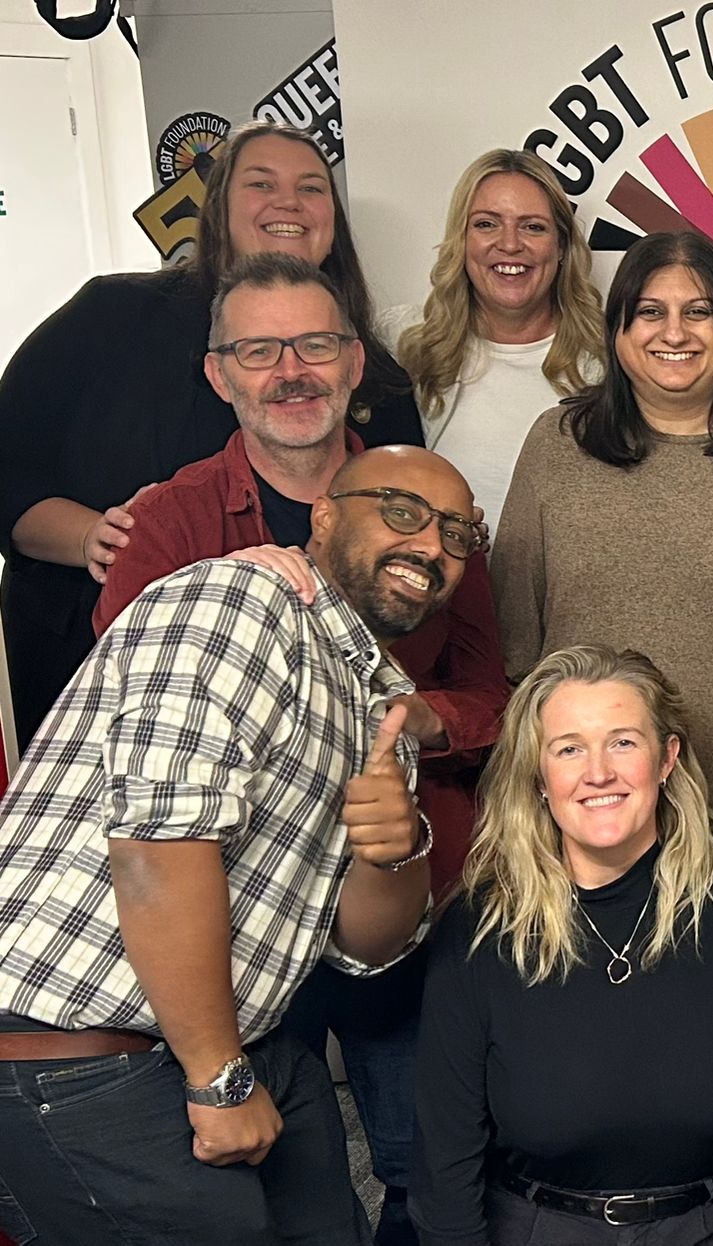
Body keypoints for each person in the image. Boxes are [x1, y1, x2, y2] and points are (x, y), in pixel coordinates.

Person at [88, 252, 511, 1246]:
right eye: (259, 348)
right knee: (256, 1160)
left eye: (315, 344)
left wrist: (409, 721)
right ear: (219, 373)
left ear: (355, 361)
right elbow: (133, 728)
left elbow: (495, 692)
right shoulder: (169, 523)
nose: (292, 369)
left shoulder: (433, 505)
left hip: (400, 893)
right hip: (225, 913)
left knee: (418, 1153)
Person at [0, 446, 476, 1245]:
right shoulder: (241, 601)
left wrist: (393, 851)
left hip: (248, 1042)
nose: (432, 545)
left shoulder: (383, 700)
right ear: (324, 514)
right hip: (91, 1058)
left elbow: (364, 948)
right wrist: (218, 1079)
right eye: (402, 511)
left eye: (459, 534)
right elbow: (159, 844)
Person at [0, 120, 423, 743]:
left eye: (312, 188)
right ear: (218, 210)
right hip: (97, 668)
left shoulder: (375, 378)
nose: (289, 202)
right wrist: (90, 535)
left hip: (304, 704)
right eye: (261, 184)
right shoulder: (109, 317)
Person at [411, 644, 713, 1246]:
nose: (598, 773)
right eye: (569, 749)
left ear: (666, 760)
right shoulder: (480, 926)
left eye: (622, 742)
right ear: (537, 776)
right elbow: (444, 1156)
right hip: (546, 1230)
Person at [493, 230, 713, 837]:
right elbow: (515, 632)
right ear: (617, 330)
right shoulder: (556, 445)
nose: (674, 333)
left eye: (698, 312)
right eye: (650, 312)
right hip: (585, 806)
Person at [390, 148, 606, 527]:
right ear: (462, 240)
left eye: (533, 226)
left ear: (561, 247)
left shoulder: (609, 361)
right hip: (446, 583)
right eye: (487, 224)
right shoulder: (407, 346)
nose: (509, 244)